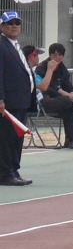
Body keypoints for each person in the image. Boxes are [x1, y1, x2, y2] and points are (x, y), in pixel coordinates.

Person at [30, 43, 73, 149]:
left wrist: (71, 93)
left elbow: (67, 85)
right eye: (54, 55)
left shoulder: (61, 69)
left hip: (52, 101)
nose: (57, 58)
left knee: (68, 107)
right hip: (42, 102)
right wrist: (62, 92)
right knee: (67, 103)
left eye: (60, 55)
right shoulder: (39, 69)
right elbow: (46, 88)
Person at [0, 11, 35, 185]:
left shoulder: (15, 45)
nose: (14, 25)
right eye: (10, 23)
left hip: (21, 101)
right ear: (2, 26)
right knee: (6, 138)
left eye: (17, 22)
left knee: (17, 138)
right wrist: (0, 99)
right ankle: (5, 173)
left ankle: (14, 170)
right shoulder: (1, 45)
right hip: (8, 102)